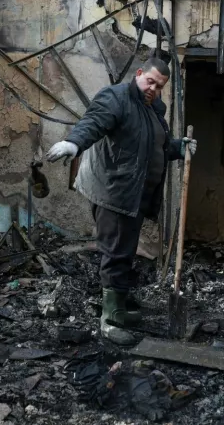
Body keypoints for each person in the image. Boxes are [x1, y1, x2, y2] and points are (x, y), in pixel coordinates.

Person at [45, 57, 196, 344]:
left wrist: (178, 147)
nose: (153, 88)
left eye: (159, 86)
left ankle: (120, 306)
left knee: (125, 250)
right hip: (114, 191)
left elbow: (155, 145)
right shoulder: (116, 98)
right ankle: (110, 321)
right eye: (150, 81)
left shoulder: (151, 110)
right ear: (139, 74)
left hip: (135, 195)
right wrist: (74, 143)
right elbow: (94, 122)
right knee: (115, 251)